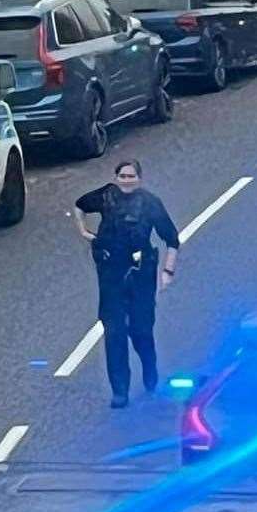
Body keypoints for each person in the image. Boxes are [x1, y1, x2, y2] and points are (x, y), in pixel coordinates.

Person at [73, 160, 180, 409]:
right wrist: (84, 231)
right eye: (122, 175)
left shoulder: (150, 203)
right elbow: (79, 206)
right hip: (111, 274)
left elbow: (172, 240)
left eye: (131, 176)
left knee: (141, 330)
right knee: (114, 332)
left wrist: (167, 271)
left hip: (140, 275)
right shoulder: (105, 196)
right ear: (116, 177)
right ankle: (119, 391)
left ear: (139, 178)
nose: (126, 180)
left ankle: (150, 372)